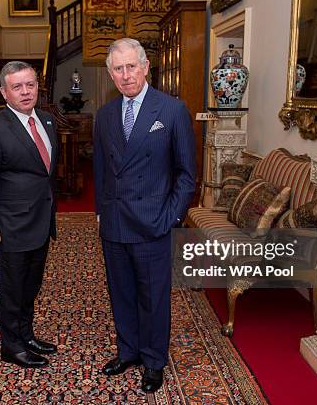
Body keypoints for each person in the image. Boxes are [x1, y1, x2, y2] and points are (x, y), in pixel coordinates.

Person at [93, 38, 196, 392]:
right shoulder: (105, 115)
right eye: (118, 69)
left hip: (153, 222)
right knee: (120, 292)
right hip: (115, 221)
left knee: (153, 297)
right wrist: (100, 213)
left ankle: (153, 360)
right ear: (110, 74)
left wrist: (171, 217)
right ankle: (129, 351)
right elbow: (101, 170)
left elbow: (186, 174)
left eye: (131, 66)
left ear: (146, 65)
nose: (125, 75)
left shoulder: (171, 110)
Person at [0, 61, 58, 368]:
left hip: (40, 223)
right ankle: (11, 346)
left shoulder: (47, 121)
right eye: (17, 87)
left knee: (31, 286)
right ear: (4, 92)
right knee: (12, 289)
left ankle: (26, 335)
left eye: (30, 85)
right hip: (10, 228)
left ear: (38, 87)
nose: (25, 92)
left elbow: (44, 173)